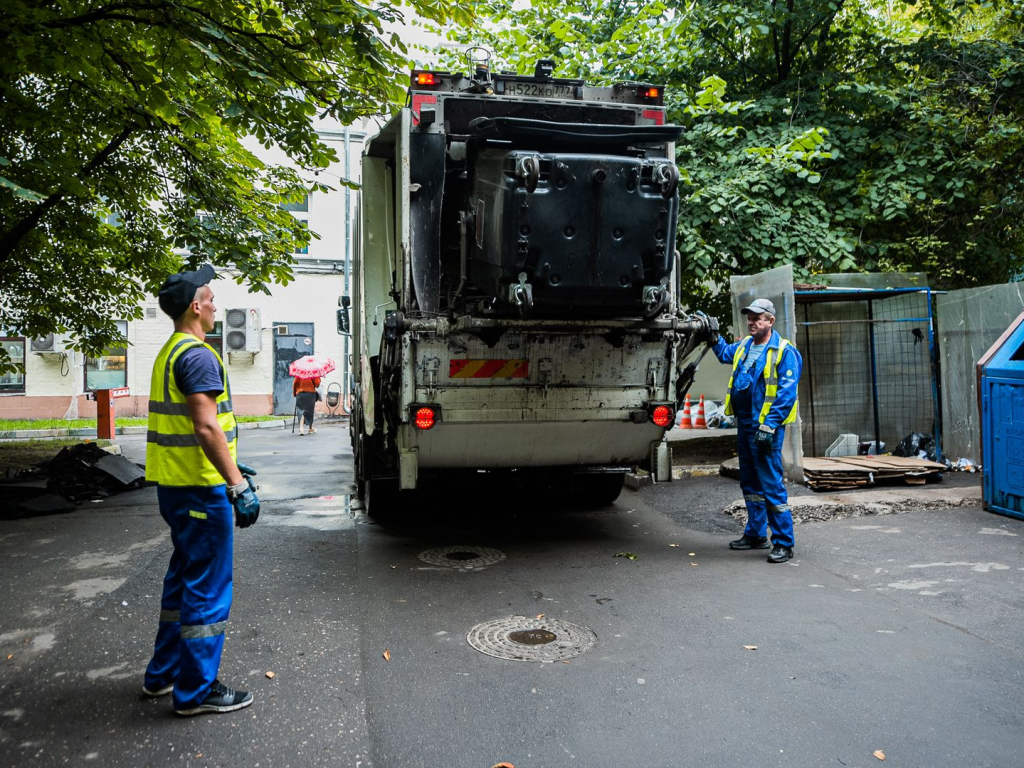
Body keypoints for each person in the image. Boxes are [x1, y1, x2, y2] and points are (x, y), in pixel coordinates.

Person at [143, 265, 261, 715]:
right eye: (211, 299)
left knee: (181, 583)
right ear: (195, 306)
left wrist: (229, 460)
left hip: (176, 486)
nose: (216, 306)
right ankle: (195, 692)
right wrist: (236, 484)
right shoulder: (197, 355)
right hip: (200, 491)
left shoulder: (170, 351)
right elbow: (206, 424)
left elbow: (200, 430)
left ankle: (164, 676)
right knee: (207, 589)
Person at [710, 298, 802, 564]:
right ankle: (755, 534)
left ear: (770, 321)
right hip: (746, 424)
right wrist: (712, 336)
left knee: (770, 484)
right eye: (750, 317)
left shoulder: (784, 351)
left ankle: (784, 543)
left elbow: (786, 394)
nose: (752, 322)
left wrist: (770, 425)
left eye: (757, 318)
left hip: (765, 428)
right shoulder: (744, 346)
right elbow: (724, 353)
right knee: (750, 482)